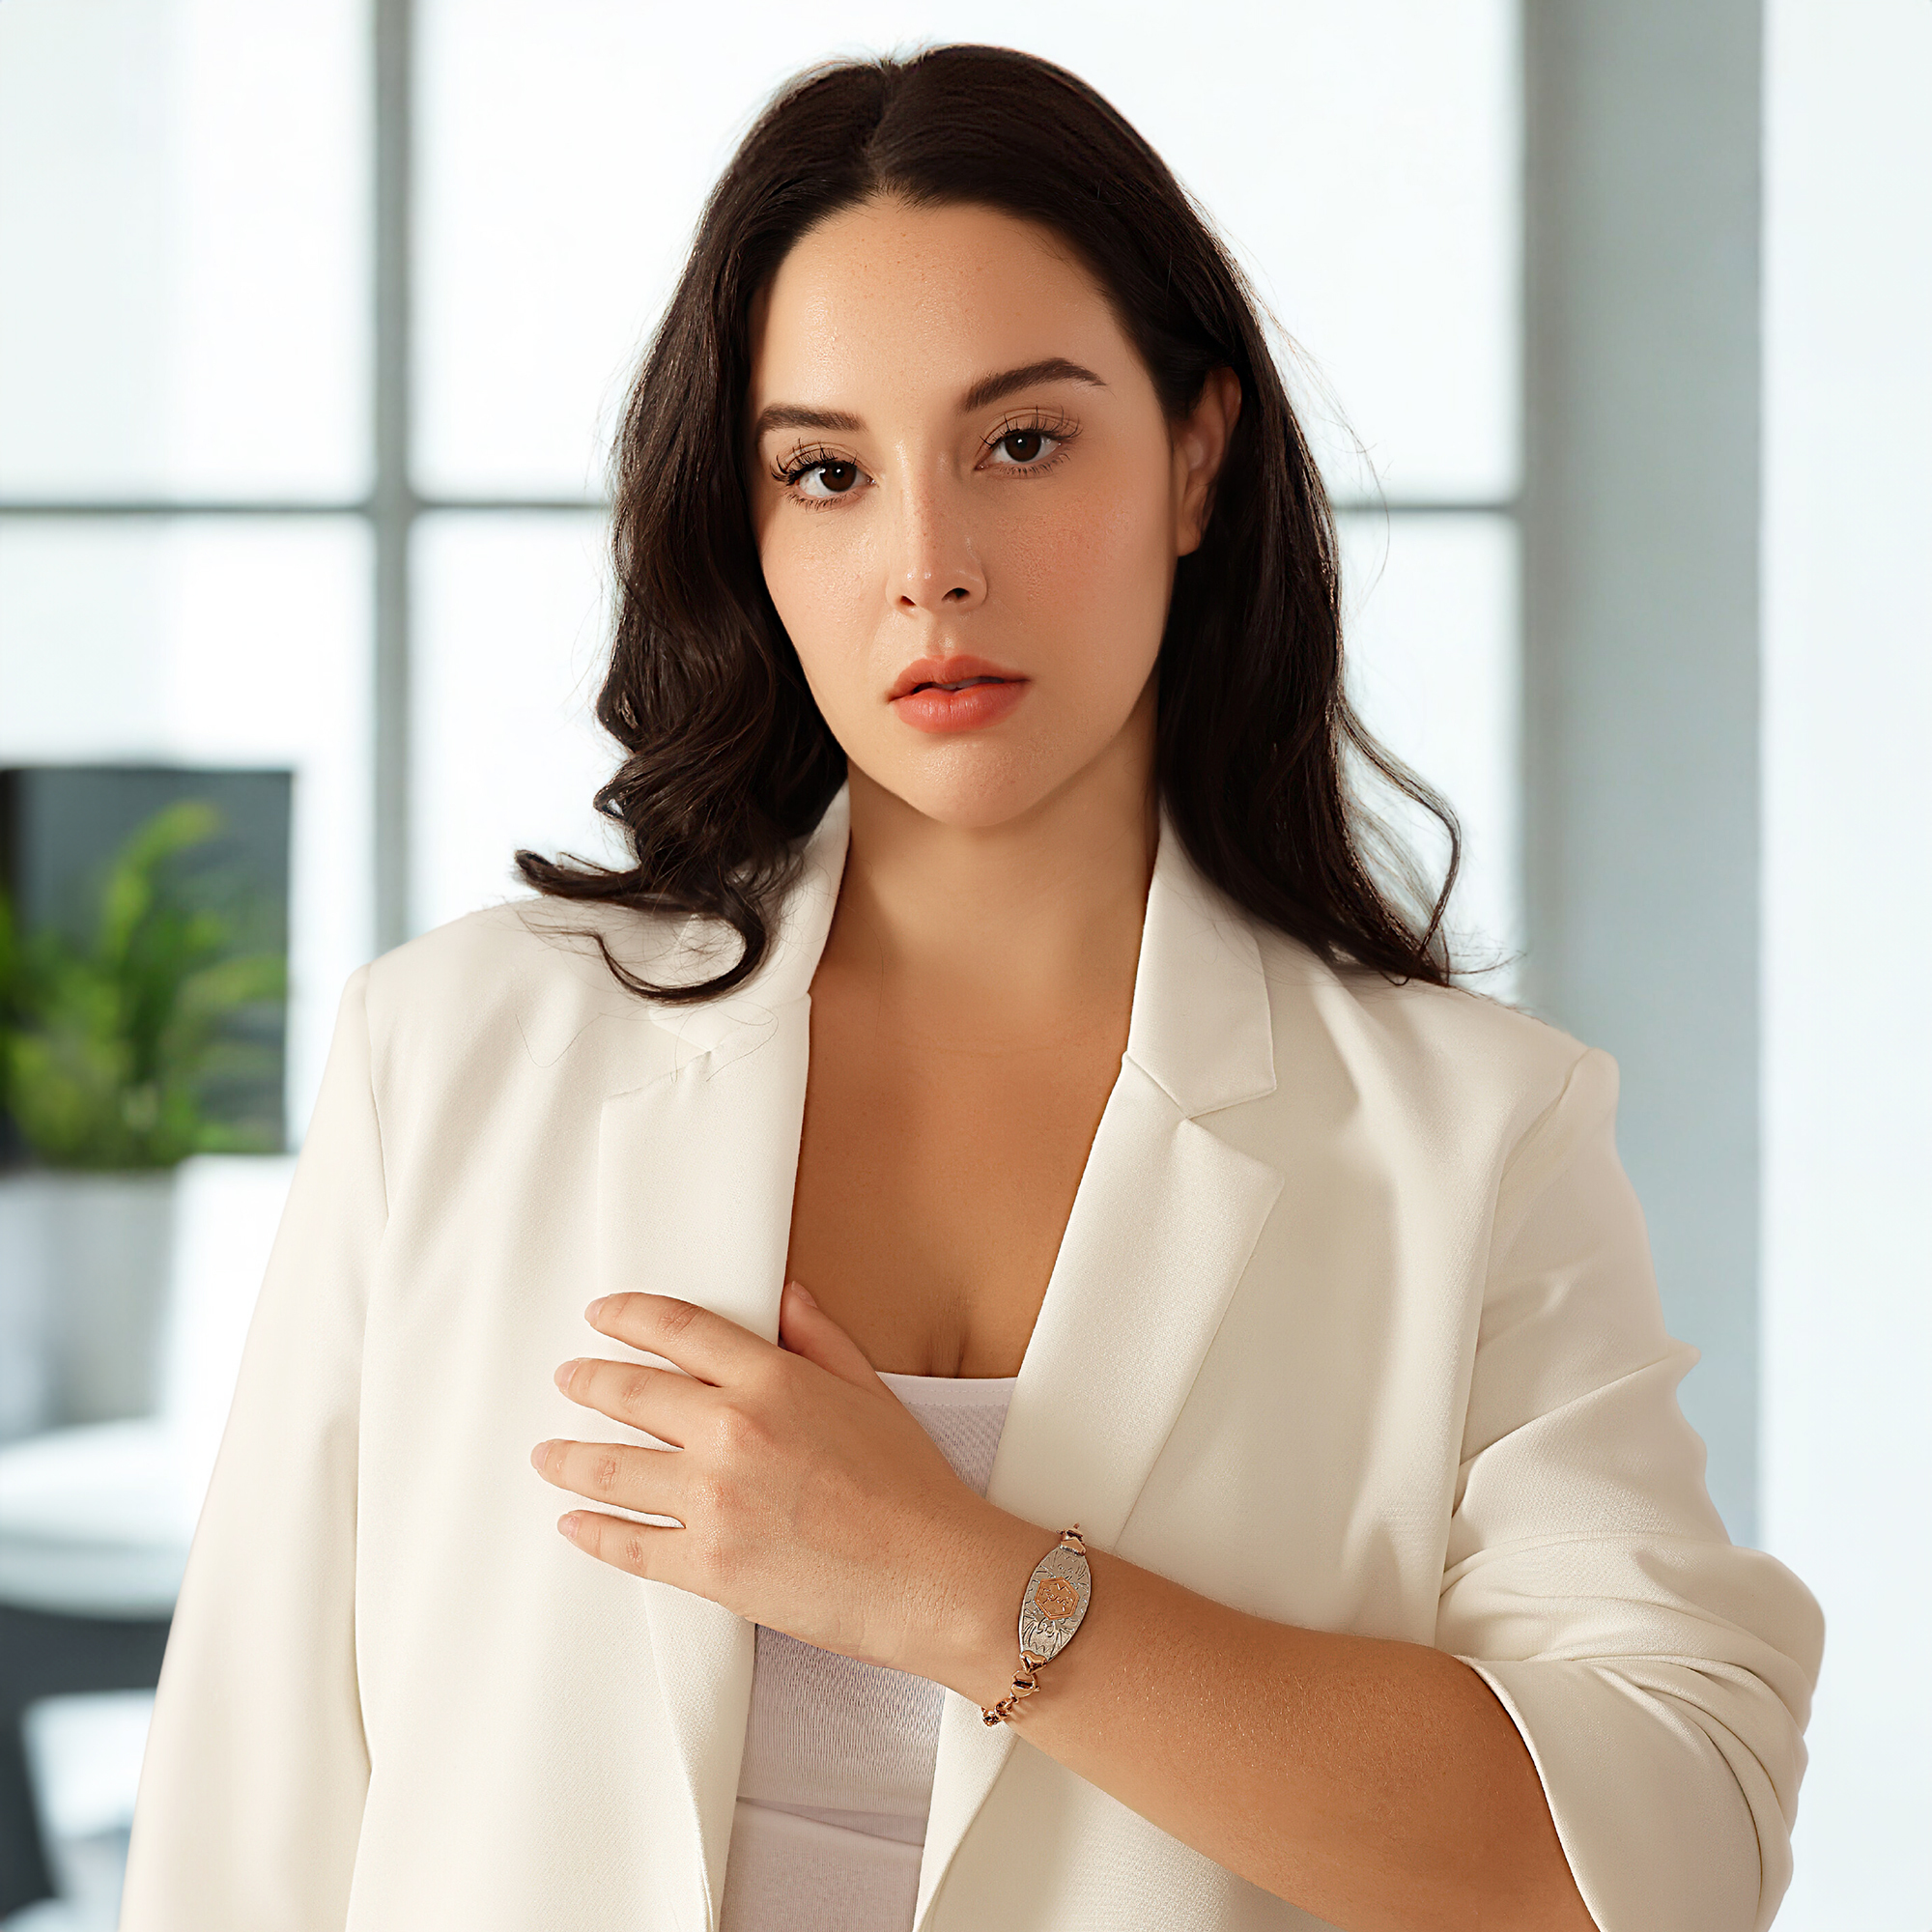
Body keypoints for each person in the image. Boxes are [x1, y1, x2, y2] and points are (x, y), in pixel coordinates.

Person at [121, 43, 1823, 1932]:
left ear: (1196, 454)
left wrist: (957, 1580)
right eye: (827, 472)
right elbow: (239, 1846)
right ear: (748, 524)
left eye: (1021, 442)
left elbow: (1670, 1854)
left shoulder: (1469, 1137)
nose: (928, 567)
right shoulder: (448, 1059)